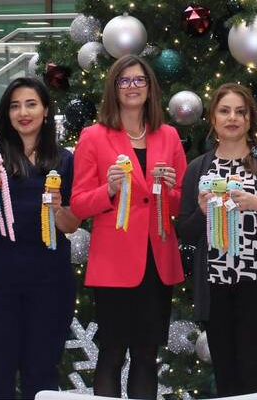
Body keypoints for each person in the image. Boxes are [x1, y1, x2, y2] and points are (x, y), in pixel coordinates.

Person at [70, 54, 186, 399]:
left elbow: (182, 201)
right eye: (125, 80)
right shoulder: (93, 136)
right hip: (114, 264)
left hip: (157, 261)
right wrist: (108, 189)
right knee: (112, 354)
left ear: (150, 87)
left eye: (139, 80)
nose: (132, 87)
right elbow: (77, 204)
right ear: (114, 88)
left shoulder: (169, 135)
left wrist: (170, 189)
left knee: (147, 356)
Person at [0, 77, 80, 399]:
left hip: (49, 286)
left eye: (31, 104)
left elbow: (71, 224)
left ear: (44, 110)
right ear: (6, 114)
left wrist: (57, 210)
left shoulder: (65, 160)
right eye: (14, 106)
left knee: (41, 377)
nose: (23, 112)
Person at [178, 83, 257, 397]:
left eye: (240, 112)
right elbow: (185, 232)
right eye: (224, 111)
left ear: (250, 119)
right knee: (225, 371)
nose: (233, 118)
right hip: (214, 285)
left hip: (255, 284)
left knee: (254, 368)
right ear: (213, 119)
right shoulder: (198, 169)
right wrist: (203, 212)